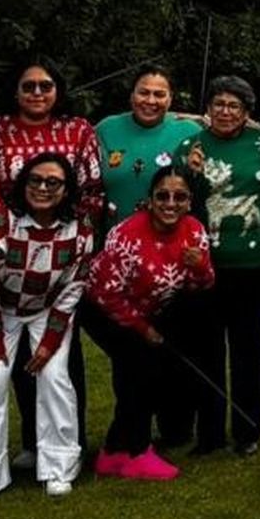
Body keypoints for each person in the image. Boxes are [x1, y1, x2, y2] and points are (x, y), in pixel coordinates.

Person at [0, 58, 101, 465]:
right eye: (28, 86)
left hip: (64, 250)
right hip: (12, 250)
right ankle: (34, 441)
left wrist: (75, 235)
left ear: (58, 89)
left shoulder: (77, 130)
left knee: (63, 354)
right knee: (17, 359)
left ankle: (72, 442)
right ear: (15, 91)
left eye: (45, 85)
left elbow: (93, 188)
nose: (37, 93)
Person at [0, 153, 92, 502]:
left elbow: (73, 290)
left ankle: (60, 465)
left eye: (53, 182)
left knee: (54, 377)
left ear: (66, 191)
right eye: (35, 180)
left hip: (47, 310)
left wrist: (49, 343)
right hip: (0, 310)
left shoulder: (79, 230)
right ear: (23, 184)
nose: (43, 188)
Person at [83, 165, 214, 480]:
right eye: (163, 196)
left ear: (189, 201)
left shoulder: (195, 231)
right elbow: (106, 293)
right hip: (102, 309)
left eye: (179, 197)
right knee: (138, 370)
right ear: (150, 200)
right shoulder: (126, 235)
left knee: (146, 372)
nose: (171, 203)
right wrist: (144, 329)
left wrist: (200, 266)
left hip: (147, 310)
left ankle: (113, 451)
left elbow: (203, 285)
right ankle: (137, 451)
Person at [180, 76, 260, 456]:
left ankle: (248, 429)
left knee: (247, 348)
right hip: (206, 264)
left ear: (246, 113)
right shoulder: (190, 146)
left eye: (233, 106)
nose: (225, 111)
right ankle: (209, 432)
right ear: (208, 108)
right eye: (218, 104)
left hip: (254, 263)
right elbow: (176, 200)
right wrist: (190, 173)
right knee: (206, 350)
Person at [96, 65, 202, 232]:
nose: (151, 101)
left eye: (159, 94)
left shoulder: (191, 131)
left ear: (170, 99)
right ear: (132, 96)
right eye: (143, 93)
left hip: (171, 240)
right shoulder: (106, 129)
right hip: (116, 241)